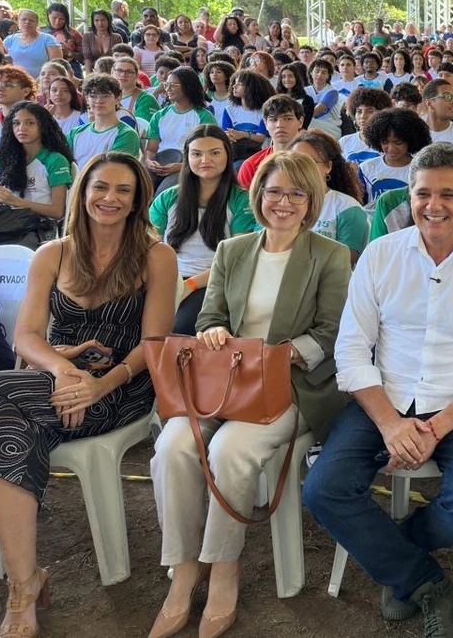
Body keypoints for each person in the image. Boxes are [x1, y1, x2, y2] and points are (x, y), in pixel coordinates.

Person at [303, 143, 453, 636]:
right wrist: (390, 423)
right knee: (324, 489)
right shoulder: (381, 255)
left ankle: (396, 551)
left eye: (448, 194)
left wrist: (435, 428)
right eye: (423, 193)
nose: (433, 205)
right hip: (386, 397)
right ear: (410, 195)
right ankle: (428, 585)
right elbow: (351, 351)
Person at [149, 152, 351, 638]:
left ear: (311, 201)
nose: (284, 202)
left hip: (292, 385)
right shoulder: (232, 250)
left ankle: (223, 568)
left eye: (297, 193)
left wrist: (278, 356)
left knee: (230, 450)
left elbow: (332, 333)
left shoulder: (330, 255)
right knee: (172, 445)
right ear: (258, 195)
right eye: (274, 191)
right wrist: (214, 332)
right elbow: (209, 316)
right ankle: (184, 569)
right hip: (225, 384)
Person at [0, 154, 177, 638]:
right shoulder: (52, 253)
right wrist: (62, 370)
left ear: (137, 201)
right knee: (6, 429)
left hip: (123, 385)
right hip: (57, 381)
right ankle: (23, 585)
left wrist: (98, 384)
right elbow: (26, 337)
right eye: (100, 187)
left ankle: (24, 587)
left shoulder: (157, 256)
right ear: (83, 192)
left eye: (123, 190)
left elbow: (154, 344)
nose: (110, 198)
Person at [149, 125, 258, 334]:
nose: (205, 160)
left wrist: (189, 285)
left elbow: (236, 261)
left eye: (214, 153)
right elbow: (151, 248)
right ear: (187, 157)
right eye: (197, 154)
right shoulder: (168, 197)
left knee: (179, 328)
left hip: (214, 281)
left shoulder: (241, 200)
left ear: (227, 155)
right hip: (168, 278)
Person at [0, 103, 75, 248]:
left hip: (39, 228)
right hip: (2, 224)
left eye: (30, 123)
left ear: (43, 127)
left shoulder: (54, 160)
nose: (22, 128)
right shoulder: (0, 163)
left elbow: (58, 211)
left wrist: (16, 201)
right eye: (16, 123)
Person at [289, 131, 370, 259]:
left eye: (310, 161)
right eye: (295, 161)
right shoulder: (276, 202)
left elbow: (344, 261)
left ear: (328, 166)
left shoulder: (347, 208)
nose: (302, 167)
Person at [146, 66, 218, 185]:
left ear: (187, 87)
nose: (168, 89)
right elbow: (151, 149)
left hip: (187, 167)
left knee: (165, 189)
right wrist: (149, 161)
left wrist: (181, 166)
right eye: (166, 85)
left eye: (173, 85)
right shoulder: (159, 116)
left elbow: (210, 151)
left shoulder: (203, 116)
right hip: (161, 162)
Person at [68, 74, 141, 166]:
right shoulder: (74, 134)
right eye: (93, 96)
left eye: (105, 96)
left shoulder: (126, 134)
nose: (98, 101)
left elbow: (113, 170)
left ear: (118, 98)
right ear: (86, 99)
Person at [236, 95, 304, 189]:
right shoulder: (251, 165)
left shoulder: (314, 161)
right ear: (265, 123)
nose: (280, 125)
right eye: (273, 119)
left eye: (288, 119)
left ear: (300, 122)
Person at [3, 10, 63, 78]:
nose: (27, 22)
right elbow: (1, 62)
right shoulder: (9, 40)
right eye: (24, 19)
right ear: (18, 22)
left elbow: (57, 66)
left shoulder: (48, 39)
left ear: (37, 24)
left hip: (42, 82)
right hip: (14, 81)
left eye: (31, 20)